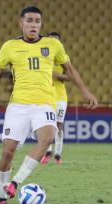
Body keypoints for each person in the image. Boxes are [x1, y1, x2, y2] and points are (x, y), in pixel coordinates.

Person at [0, 6, 98, 204]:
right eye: (29, 20)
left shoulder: (53, 44)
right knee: (8, 152)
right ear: (20, 23)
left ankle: (15, 182)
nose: (33, 24)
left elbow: (69, 69)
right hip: (18, 105)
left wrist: (85, 91)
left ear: (41, 24)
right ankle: (1, 196)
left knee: (48, 137)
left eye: (37, 21)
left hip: (45, 104)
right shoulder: (10, 46)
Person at [40, 32, 70, 165]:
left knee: (59, 125)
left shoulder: (64, 58)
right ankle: (48, 151)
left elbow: (69, 77)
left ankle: (58, 154)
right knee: (46, 124)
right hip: (46, 95)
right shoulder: (41, 57)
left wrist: (55, 74)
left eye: (56, 40)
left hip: (60, 97)